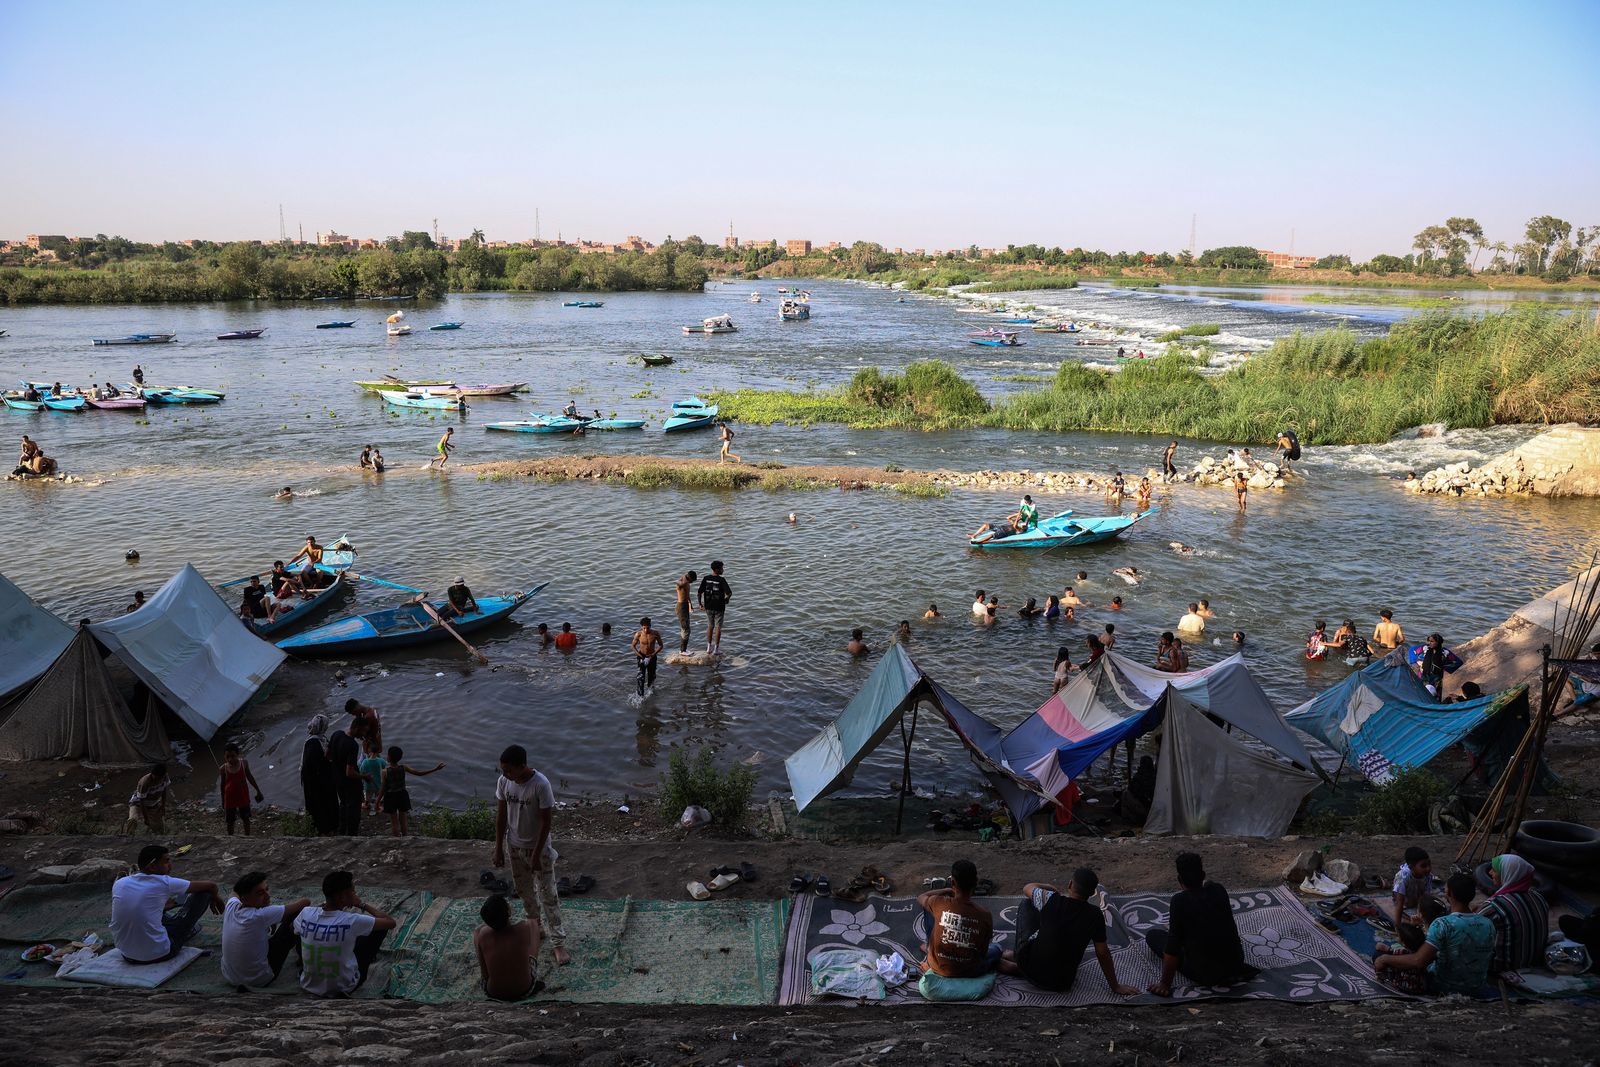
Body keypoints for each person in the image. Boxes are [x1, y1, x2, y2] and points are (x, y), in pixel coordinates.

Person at [1001, 868, 1138, 995]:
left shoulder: (1051, 899)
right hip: (1062, 982)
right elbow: (1102, 952)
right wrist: (1115, 986)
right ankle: (1019, 965)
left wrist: (1049, 887)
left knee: (1027, 904)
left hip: (1032, 969)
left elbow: (1027, 888)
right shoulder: (1095, 915)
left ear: (1070, 884)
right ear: (1091, 893)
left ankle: (1018, 959)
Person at [493, 745, 570, 966]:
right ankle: (536, 929)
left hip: (539, 849)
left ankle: (558, 943)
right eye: (503, 770)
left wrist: (536, 854)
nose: (505, 774)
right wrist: (498, 847)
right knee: (525, 892)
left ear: (521, 766)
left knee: (548, 894)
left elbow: (546, 822)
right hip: (514, 846)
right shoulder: (504, 782)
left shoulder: (540, 785)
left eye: (508, 770)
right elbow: (501, 817)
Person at [1145, 853, 1258, 995]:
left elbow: (1172, 950)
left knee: (1153, 936)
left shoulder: (1179, 901)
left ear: (1179, 880)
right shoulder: (1219, 890)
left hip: (1206, 973)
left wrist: (1165, 983)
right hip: (1235, 965)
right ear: (1203, 875)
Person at [1375, 872, 1493, 995]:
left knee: (1379, 955)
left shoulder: (1443, 924)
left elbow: (1418, 961)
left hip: (1442, 986)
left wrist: (1384, 959)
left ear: (1449, 894)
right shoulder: (1488, 923)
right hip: (1477, 986)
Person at [110, 844, 223, 964]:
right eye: (166, 861)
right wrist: (216, 898)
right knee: (205, 893)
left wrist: (164, 906)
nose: (170, 865)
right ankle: (186, 930)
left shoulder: (120, 883)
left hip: (127, 954)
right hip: (159, 953)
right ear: (152, 867)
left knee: (149, 913)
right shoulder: (163, 882)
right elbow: (211, 886)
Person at [294, 870, 397, 996]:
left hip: (308, 985)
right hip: (345, 987)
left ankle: (306, 964)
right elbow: (390, 922)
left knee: (299, 931)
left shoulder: (306, 913)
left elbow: (292, 928)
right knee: (378, 929)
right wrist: (362, 904)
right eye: (352, 891)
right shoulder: (352, 920)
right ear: (342, 897)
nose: (355, 894)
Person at [221, 872, 310, 990]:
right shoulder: (259, 915)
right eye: (260, 893)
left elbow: (234, 891)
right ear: (245, 899)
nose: (267, 896)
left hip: (230, 977)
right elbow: (305, 902)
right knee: (298, 913)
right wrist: (267, 911)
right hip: (259, 979)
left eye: (267, 890)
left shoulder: (231, 907)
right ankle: (303, 960)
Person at [917, 860, 999, 977]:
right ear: (975, 883)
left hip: (937, 968)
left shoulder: (939, 903)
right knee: (997, 949)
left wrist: (946, 890)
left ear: (953, 882)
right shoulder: (984, 914)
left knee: (928, 906)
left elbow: (922, 897)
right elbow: (983, 951)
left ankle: (930, 949)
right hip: (971, 972)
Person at [1477, 854, 1549, 973]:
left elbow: (1470, 928)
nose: (1490, 872)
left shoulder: (1495, 905)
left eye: (1494, 870)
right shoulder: (1539, 897)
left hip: (1504, 967)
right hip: (1536, 962)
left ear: (1508, 873)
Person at [475, 893, 544, 1001]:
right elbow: (530, 920)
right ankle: (540, 932)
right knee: (533, 922)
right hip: (525, 990)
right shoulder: (523, 928)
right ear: (508, 911)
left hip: (493, 993)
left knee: (477, 932)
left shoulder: (482, 935)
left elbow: (485, 974)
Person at [381, 746, 444, 837]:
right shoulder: (404, 768)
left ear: (389, 757)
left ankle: (396, 840)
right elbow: (419, 773)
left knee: (394, 822)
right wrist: (435, 769)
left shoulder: (384, 772)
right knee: (403, 820)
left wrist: (378, 801)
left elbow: (383, 788)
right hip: (402, 795)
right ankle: (405, 837)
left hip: (390, 797)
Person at [328, 716, 367, 836]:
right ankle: (352, 834)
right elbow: (349, 772)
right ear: (356, 728)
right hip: (350, 783)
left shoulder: (336, 734)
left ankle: (341, 830)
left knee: (343, 804)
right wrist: (364, 776)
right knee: (354, 808)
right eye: (363, 731)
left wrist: (337, 766)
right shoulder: (352, 745)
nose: (364, 734)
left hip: (338, 780)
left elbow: (328, 755)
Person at [300, 715, 339, 835]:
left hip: (322, 780)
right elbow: (314, 765)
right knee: (321, 805)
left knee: (326, 804)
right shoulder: (313, 743)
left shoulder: (320, 739)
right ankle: (324, 828)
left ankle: (329, 826)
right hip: (317, 783)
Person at [218, 743, 264, 836]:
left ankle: (247, 837)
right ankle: (230, 837)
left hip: (243, 796)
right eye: (227, 757)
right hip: (229, 799)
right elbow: (222, 785)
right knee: (230, 821)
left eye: (233, 756)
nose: (230, 759)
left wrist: (258, 790)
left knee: (246, 818)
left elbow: (250, 777)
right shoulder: (223, 768)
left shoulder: (244, 764)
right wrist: (223, 800)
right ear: (224, 757)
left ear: (238, 755)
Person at [1392, 846, 1437, 928]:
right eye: (1423, 866)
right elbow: (1399, 902)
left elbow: (1425, 896)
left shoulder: (1428, 876)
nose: (1428, 868)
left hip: (1417, 902)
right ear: (1411, 867)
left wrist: (1421, 910)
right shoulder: (1402, 877)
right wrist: (1397, 926)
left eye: (1429, 864)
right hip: (1405, 905)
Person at [697, 560, 732, 655]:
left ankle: (708, 648)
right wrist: (727, 599)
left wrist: (700, 604)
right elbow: (729, 593)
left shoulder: (706, 578)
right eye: (722, 568)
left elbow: (699, 593)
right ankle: (716, 649)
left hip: (708, 606)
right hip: (719, 607)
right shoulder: (721, 580)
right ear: (717, 569)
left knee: (710, 626)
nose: (723, 570)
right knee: (718, 627)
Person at [124, 763, 170, 834]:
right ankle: (128, 838)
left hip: (153, 804)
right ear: (152, 774)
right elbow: (142, 801)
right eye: (156, 778)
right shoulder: (144, 783)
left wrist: (163, 806)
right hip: (137, 803)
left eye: (160, 778)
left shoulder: (165, 777)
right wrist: (146, 818)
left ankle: (159, 838)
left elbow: (164, 791)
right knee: (133, 820)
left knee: (159, 826)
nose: (158, 781)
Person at [631, 616, 662, 695]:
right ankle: (640, 696)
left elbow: (661, 645)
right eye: (644, 628)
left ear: (650, 626)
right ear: (641, 627)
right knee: (641, 677)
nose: (646, 630)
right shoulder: (638, 634)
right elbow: (633, 646)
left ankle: (651, 693)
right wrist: (640, 656)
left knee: (651, 676)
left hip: (652, 656)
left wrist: (652, 655)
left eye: (647, 628)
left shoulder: (655, 633)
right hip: (641, 655)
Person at [358, 738, 387, 816]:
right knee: (378, 796)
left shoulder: (365, 762)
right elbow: (386, 768)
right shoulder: (381, 761)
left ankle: (366, 805)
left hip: (368, 784)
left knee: (368, 797)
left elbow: (361, 771)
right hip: (378, 784)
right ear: (377, 752)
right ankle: (378, 807)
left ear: (369, 752)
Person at [674, 570, 698, 654]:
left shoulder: (687, 584)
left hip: (685, 606)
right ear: (689, 578)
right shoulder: (682, 583)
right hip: (681, 607)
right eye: (692, 580)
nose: (692, 582)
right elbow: (677, 582)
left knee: (686, 628)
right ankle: (682, 650)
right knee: (686, 629)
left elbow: (687, 595)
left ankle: (684, 649)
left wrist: (690, 605)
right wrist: (685, 576)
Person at [1419, 632, 1448, 700]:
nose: (1429, 643)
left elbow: (1454, 663)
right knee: (1423, 693)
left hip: (1436, 678)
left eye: (1432, 641)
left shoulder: (1443, 653)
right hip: (1425, 676)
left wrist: (1445, 666)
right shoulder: (1426, 650)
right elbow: (1414, 653)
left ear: (1438, 642)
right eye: (1429, 641)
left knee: (1435, 696)